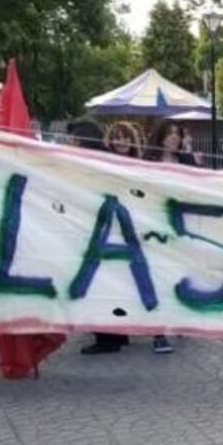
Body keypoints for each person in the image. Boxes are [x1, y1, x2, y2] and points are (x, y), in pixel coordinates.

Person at [78, 122, 142, 355]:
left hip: (134, 234)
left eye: (125, 137)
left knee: (123, 284)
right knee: (106, 283)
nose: (121, 141)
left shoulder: (141, 165)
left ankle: (116, 334)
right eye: (116, 138)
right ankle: (110, 335)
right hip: (108, 233)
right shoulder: (103, 164)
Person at [143, 122, 198, 354]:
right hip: (155, 226)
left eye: (178, 134)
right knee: (158, 278)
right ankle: (159, 333)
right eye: (170, 134)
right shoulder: (147, 162)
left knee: (179, 275)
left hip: (181, 227)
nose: (174, 138)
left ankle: (179, 320)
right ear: (160, 137)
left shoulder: (184, 161)